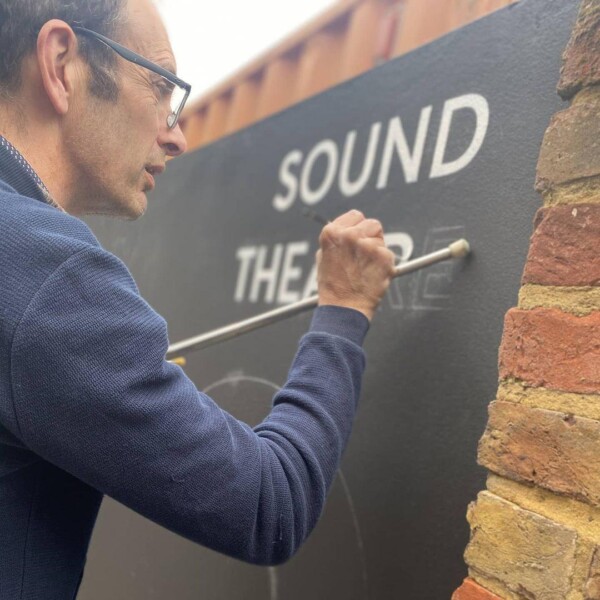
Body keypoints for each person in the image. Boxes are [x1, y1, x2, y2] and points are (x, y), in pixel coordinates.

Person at [0, 0, 395, 598]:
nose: (177, 135)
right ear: (61, 64)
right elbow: (270, 503)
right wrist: (344, 309)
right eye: (161, 87)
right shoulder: (50, 275)